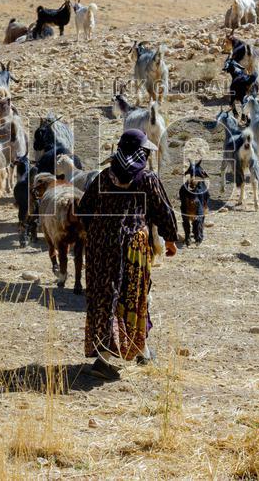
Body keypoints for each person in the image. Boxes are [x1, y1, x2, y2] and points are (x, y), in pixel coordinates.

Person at [75, 129, 178, 381]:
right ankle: (105, 360)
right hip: (132, 247)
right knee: (132, 298)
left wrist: (99, 232)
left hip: (100, 248)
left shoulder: (103, 177)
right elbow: (163, 210)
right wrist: (170, 239)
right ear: (141, 153)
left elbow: (84, 209)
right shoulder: (147, 179)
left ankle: (141, 351)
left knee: (104, 297)